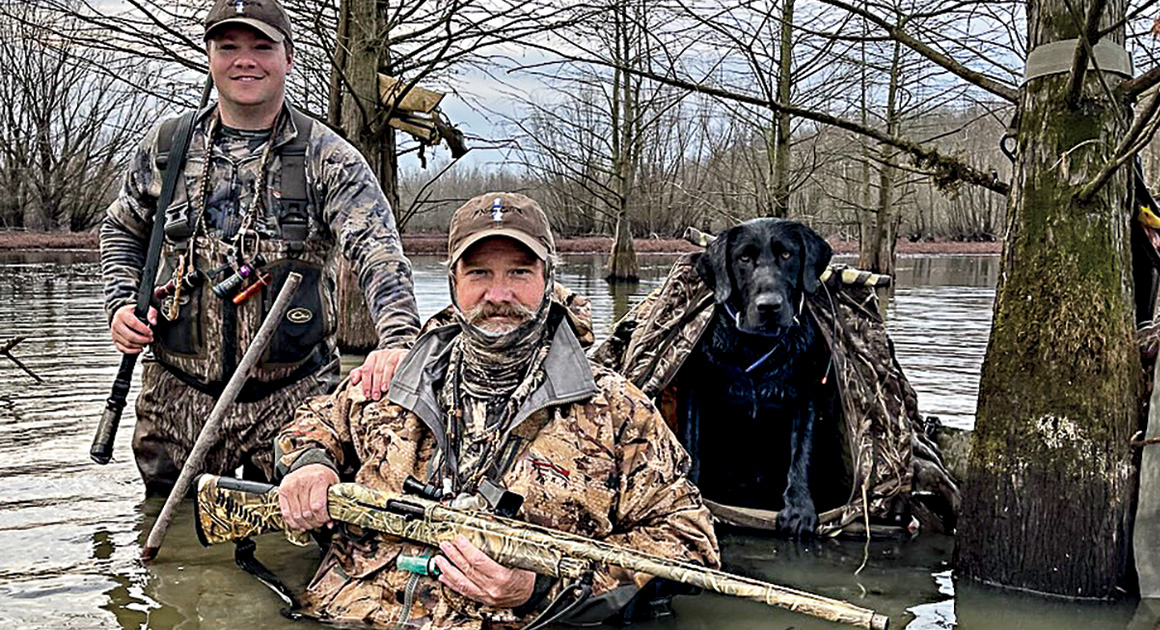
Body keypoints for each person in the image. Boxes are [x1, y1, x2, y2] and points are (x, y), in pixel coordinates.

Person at [274, 192, 719, 627]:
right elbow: (314, 423)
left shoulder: (616, 409)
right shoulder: (395, 378)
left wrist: (545, 589)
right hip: (345, 615)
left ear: (548, 278)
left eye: (520, 272)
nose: (499, 294)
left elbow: (689, 538)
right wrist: (310, 465)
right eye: (479, 273)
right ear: (454, 283)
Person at [100, 0, 420, 495]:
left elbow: (378, 252)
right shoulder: (165, 148)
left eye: (261, 47)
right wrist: (121, 304)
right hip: (176, 400)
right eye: (228, 47)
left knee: (303, 522)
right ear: (210, 57)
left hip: (295, 402)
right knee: (166, 534)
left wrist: (398, 341)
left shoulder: (329, 157)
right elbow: (121, 229)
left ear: (287, 57)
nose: (244, 60)